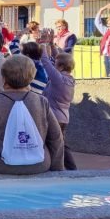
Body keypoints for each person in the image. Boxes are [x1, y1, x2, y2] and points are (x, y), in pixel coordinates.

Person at [0, 55, 64, 175]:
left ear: (3, 77)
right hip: (39, 164)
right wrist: (57, 167)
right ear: (31, 77)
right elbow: (56, 137)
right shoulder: (41, 102)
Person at [39, 29, 77, 170]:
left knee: (52, 145)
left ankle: (56, 169)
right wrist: (51, 44)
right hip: (63, 118)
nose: (54, 63)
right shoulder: (69, 79)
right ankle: (71, 169)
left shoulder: (58, 79)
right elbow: (59, 59)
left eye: (56, 63)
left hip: (54, 118)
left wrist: (43, 43)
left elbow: (45, 61)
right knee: (61, 145)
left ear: (60, 66)